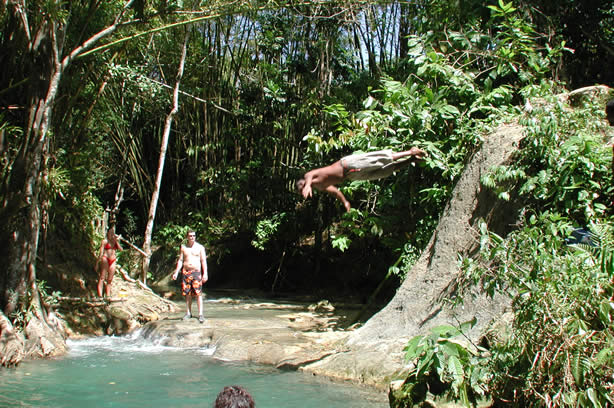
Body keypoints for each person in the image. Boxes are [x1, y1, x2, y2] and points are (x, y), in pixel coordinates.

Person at [296, 147, 427, 211]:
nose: (305, 191)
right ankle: (412, 159)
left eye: (303, 188)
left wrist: (307, 186)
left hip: (348, 165)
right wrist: (345, 202)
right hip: (352, 175)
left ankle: (410, 152)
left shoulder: (309, 177)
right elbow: (335, 192)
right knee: (385, 171)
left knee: (380, 159)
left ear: (302, 185)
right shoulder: (319, 186)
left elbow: (309, 176)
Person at [172, 230, 208, 323]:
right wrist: (176, 272)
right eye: (190, 236)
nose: (192, 237)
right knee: (187, 293)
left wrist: (205, 273)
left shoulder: (200, 247)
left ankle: (200, 314)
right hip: (186, 272)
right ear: (187, 237)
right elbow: (180, 260)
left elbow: (203, 261)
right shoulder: (184, 248)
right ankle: (188, 313)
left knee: (198, 293)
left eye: (194, 236)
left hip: (196, 272)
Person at [96, 227, 123, 298]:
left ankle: (108, 295)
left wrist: (116, 241)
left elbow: (121, 250)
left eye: (113, 233)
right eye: (110, 233)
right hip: (105, 258)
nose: (111, 235)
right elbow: (101, 253)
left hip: (113, 260)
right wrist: (97, 263)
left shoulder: (115, 242)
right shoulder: (104, 241)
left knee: (110, 279)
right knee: (102, 277)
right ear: (107, 234)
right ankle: (100, 296)